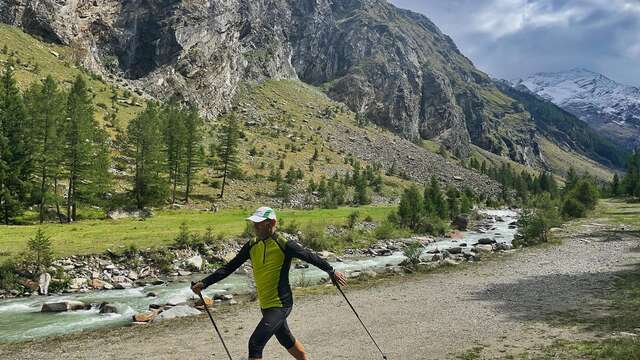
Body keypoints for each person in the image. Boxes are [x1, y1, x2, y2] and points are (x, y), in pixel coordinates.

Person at [192, 206, 347, 360]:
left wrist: (331, 271)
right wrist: (204, 283)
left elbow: (310, 256)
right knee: (286, 340)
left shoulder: (284, 244)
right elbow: (228, 268)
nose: (254, 227)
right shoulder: (252, 245)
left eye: (258, 223)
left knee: (255, 343)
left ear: (270, 223)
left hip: (281, 304)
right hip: (266, 305)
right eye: (254, 223)